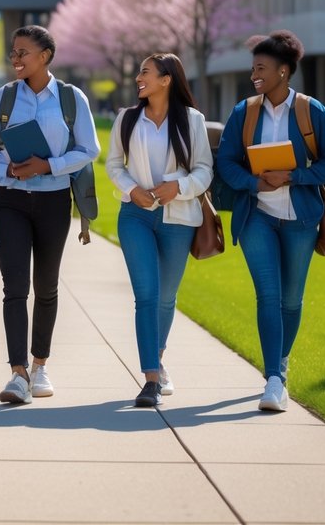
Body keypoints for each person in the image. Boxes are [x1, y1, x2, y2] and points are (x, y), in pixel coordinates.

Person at [215, 31, 325, 412]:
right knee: (268, 296)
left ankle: (280, 364)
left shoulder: (311, 111)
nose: (254, 74)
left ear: (284, 71)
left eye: (262, 68)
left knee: (291, 300)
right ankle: (274, 380)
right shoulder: (244, 111)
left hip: (302, 218)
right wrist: (255, 182)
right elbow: (226, 162)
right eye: (253, 67)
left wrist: (294, 176)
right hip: (258, 215)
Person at [0, 25, 100, 404]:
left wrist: (49, 166)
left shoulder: (71, 99)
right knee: (15, 289)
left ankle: (40, 364)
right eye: (13, 52)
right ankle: (17, 374)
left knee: (46, 287)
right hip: (9, 200)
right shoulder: (4, 98)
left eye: (23, 52)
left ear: (45, 56)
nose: (15, 58)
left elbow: (89, 150)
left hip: (53, 202)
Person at [105, 53, 213, 407]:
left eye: (146, 72)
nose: (139, 77)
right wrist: (131, 190)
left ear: (167, 79)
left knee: (166, 297)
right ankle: (150, 378)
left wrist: (177, 188)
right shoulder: (127, 118)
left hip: (178, 218)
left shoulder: (192, 121)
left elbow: (203, 171)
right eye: (139, 72)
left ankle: (159, 357)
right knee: (147, 295)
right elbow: (113, 164)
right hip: (135, 216)